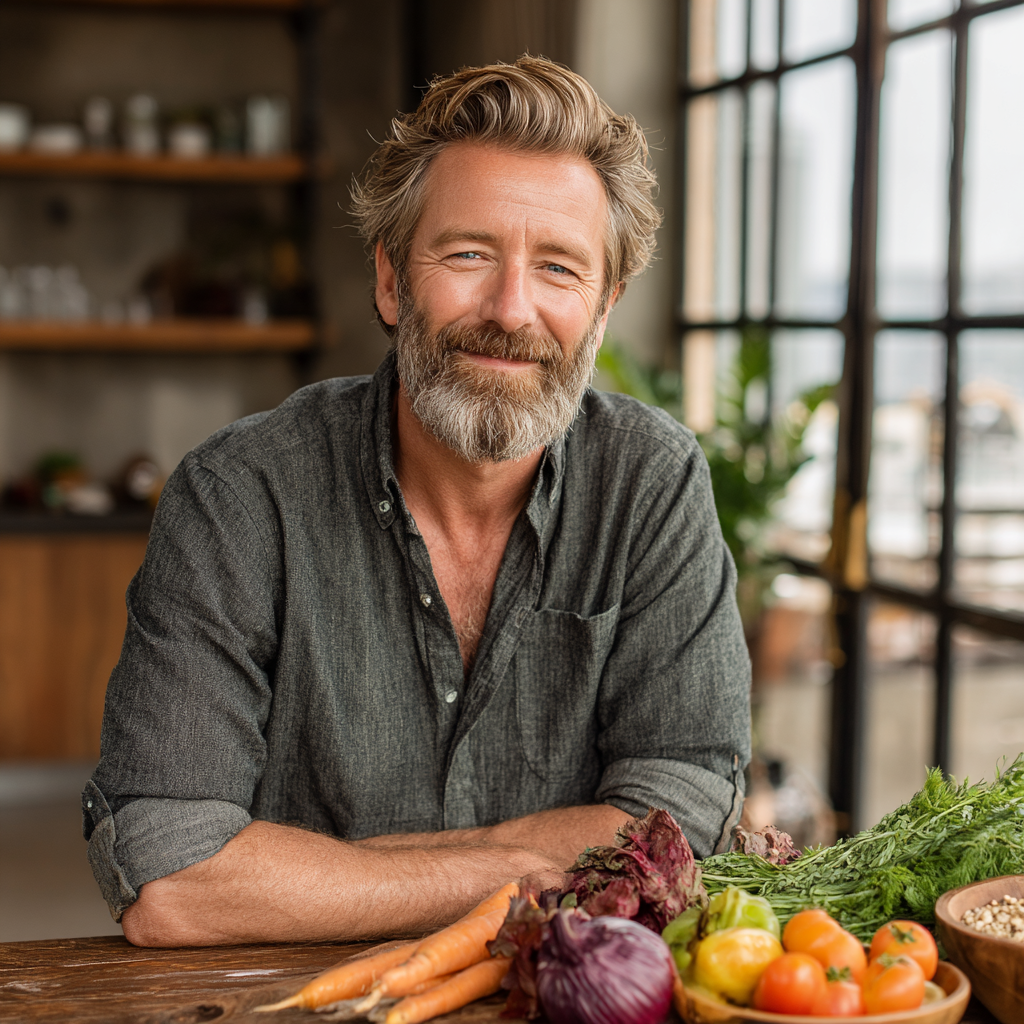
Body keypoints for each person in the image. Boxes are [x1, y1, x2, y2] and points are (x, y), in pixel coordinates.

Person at [84, 55, 750, 948]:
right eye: (469, 254)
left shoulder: (652, 483)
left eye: (559, 268)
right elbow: (170, 878)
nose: (512, 310)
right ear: (393, 281)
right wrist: (517, 865)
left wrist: (327, 871)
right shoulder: (238, 495)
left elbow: (682, 814)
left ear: (603, 308)